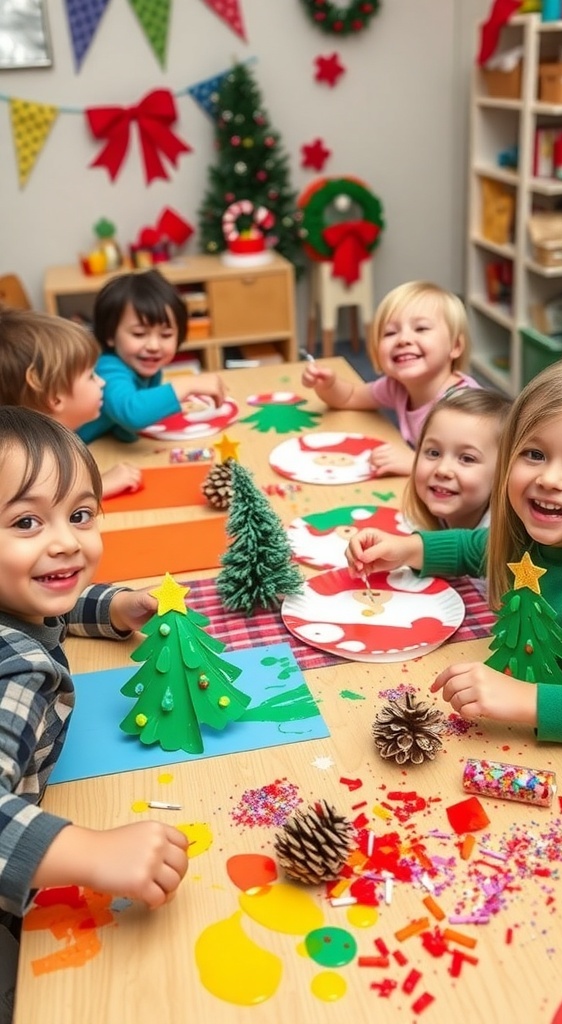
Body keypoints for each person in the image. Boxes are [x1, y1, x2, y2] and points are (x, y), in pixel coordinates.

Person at [0, 407, 189, 1022]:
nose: (66, 542)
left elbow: (48, 595)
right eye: (27, 521)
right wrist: (91, 852)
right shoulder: (18, 675)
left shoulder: (20, 599)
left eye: (79, 515)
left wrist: (110, 607)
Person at [345, 355, 562, 744]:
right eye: (534, 454)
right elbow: (479, 547)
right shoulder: (527, 536)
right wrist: (408, 549)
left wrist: (530, 701)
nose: (549, 478)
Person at [301, 280, 480, 476]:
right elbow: (349, 397)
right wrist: (328, 384)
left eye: (420, 329)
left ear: (455, 347)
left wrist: (414, 463)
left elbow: (477, 471)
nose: (403, 340)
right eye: (390, 333)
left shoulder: (463, 407)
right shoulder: (397, 387)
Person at [0, 306, 142, 500]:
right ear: (54, 397)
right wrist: (101, 487)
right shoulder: (28, 459)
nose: (102, 382)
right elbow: (45, 507)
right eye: (91, 376)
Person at [79, 269, 225, 444]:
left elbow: (124, 425)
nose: (154, 346)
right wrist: (187, 384)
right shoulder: (107, 368)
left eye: (166, 335)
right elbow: (132, 413)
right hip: (63, 456)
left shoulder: (147, 368)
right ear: (110, 335)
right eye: (139, 334)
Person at [402, 387, 512, 531]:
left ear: (503, 473)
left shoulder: (498, 539)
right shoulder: (420, 520)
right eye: (434, 453)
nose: (442, 470)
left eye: (467, 459)